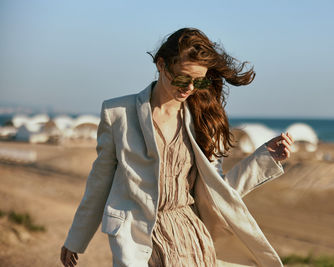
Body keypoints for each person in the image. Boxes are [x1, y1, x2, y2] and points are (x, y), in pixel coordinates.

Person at [60, 27, 294, 267]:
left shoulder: (203, 120)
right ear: (161, 65)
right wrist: (76, 239)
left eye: (198, 81)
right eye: (182, 78)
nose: (189, 88)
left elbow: (218, 191)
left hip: (190, 240)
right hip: (137, 240)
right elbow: (99, 182)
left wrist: (264, 158)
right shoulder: (118, 113)